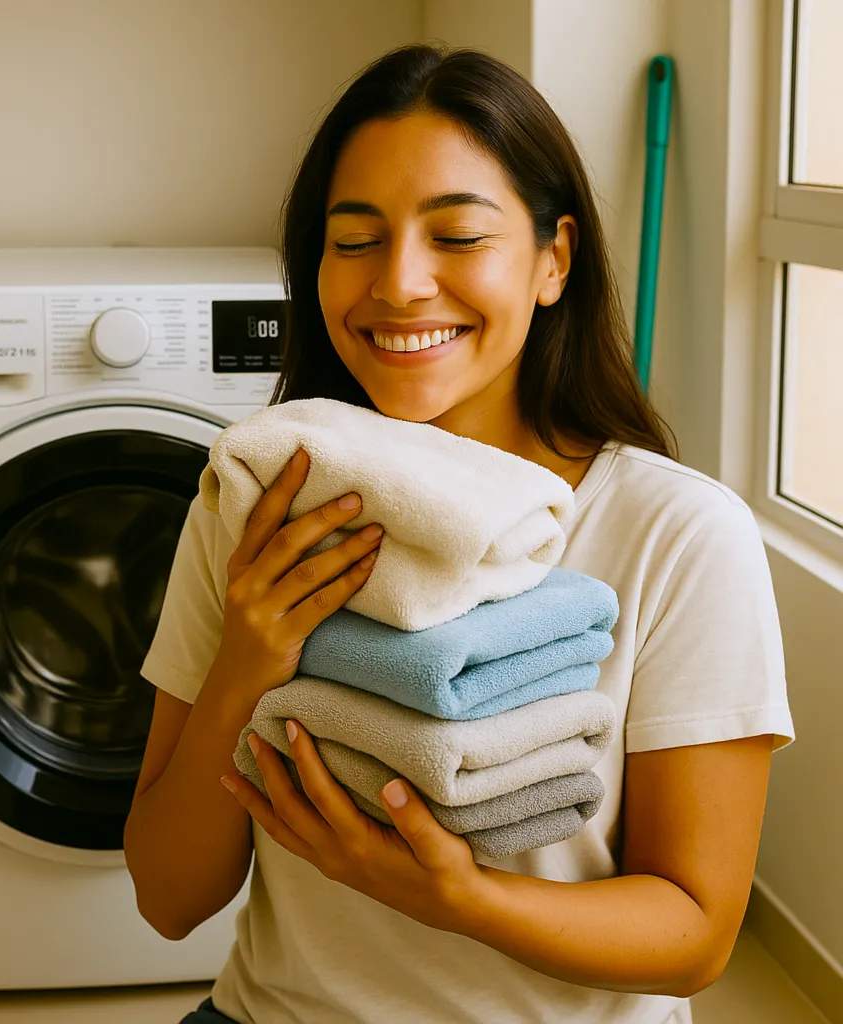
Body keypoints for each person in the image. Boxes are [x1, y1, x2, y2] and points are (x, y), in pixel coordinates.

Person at [123, 44, 794, 1024]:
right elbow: (168, 899)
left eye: (457, 236)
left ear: (553, 260)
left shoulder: (677, 535)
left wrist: (454, 897)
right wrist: (243, 663)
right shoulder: (254, 503)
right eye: (353, 239)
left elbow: (694, 934)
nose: (397, 283)